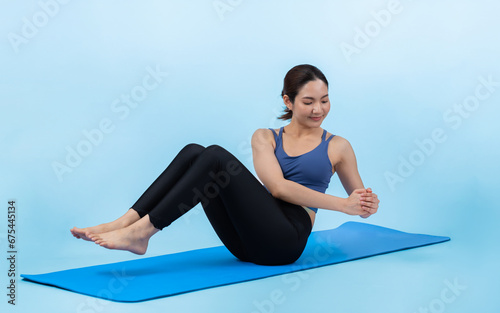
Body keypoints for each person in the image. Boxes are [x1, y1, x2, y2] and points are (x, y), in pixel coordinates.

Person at [70, 64, 379, 266]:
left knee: (214, 155)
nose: (318, 109)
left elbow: (358, 201)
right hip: (243, 242)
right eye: (308, 101)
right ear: (288, 101)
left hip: (285, 242)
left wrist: (365, 203)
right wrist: (344, 205)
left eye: (324, 100)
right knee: (195, 152)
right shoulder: (265, 138)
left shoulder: (338, 146)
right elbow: (277, 188)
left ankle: (142, 232)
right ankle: (124, 223)